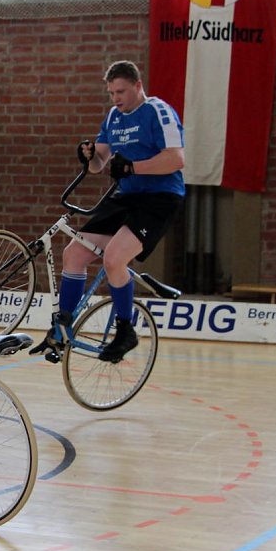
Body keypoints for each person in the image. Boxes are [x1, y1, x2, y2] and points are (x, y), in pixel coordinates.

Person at [31, 60, 185, 362]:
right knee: (74, 254)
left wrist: (131, 166)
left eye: (122, 91)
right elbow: (100, 163)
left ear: (138, 86)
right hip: (127, 195)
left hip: (160, 197)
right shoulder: (114, 116)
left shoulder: (158, 111)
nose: (116, 99)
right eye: (112, 92)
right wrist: (88, 155)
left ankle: (125, 330)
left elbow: (176, 159)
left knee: (115, 257)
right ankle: (62, 327)